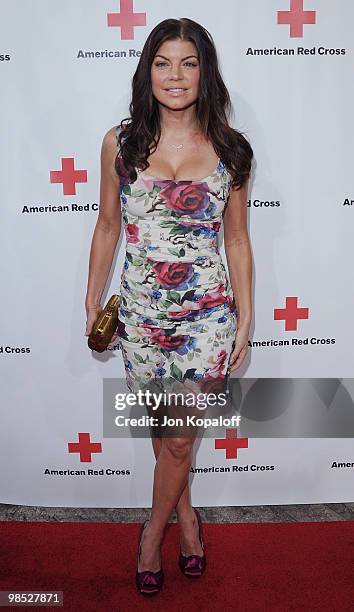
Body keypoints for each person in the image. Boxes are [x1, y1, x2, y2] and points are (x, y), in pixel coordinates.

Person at [85, 17, 253, 596]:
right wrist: (92, 301)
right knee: (164, 435)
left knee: (179, 439)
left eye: (188, 63)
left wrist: (246, 316)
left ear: (205, 72)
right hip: (139, 315)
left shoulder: (231, 149)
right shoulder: (121, 142)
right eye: (163, 63)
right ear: (147, 70)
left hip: (206, 314)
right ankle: (188, 521)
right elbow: (107, 226)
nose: (175, 76)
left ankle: (150, 536)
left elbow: (236, 239)